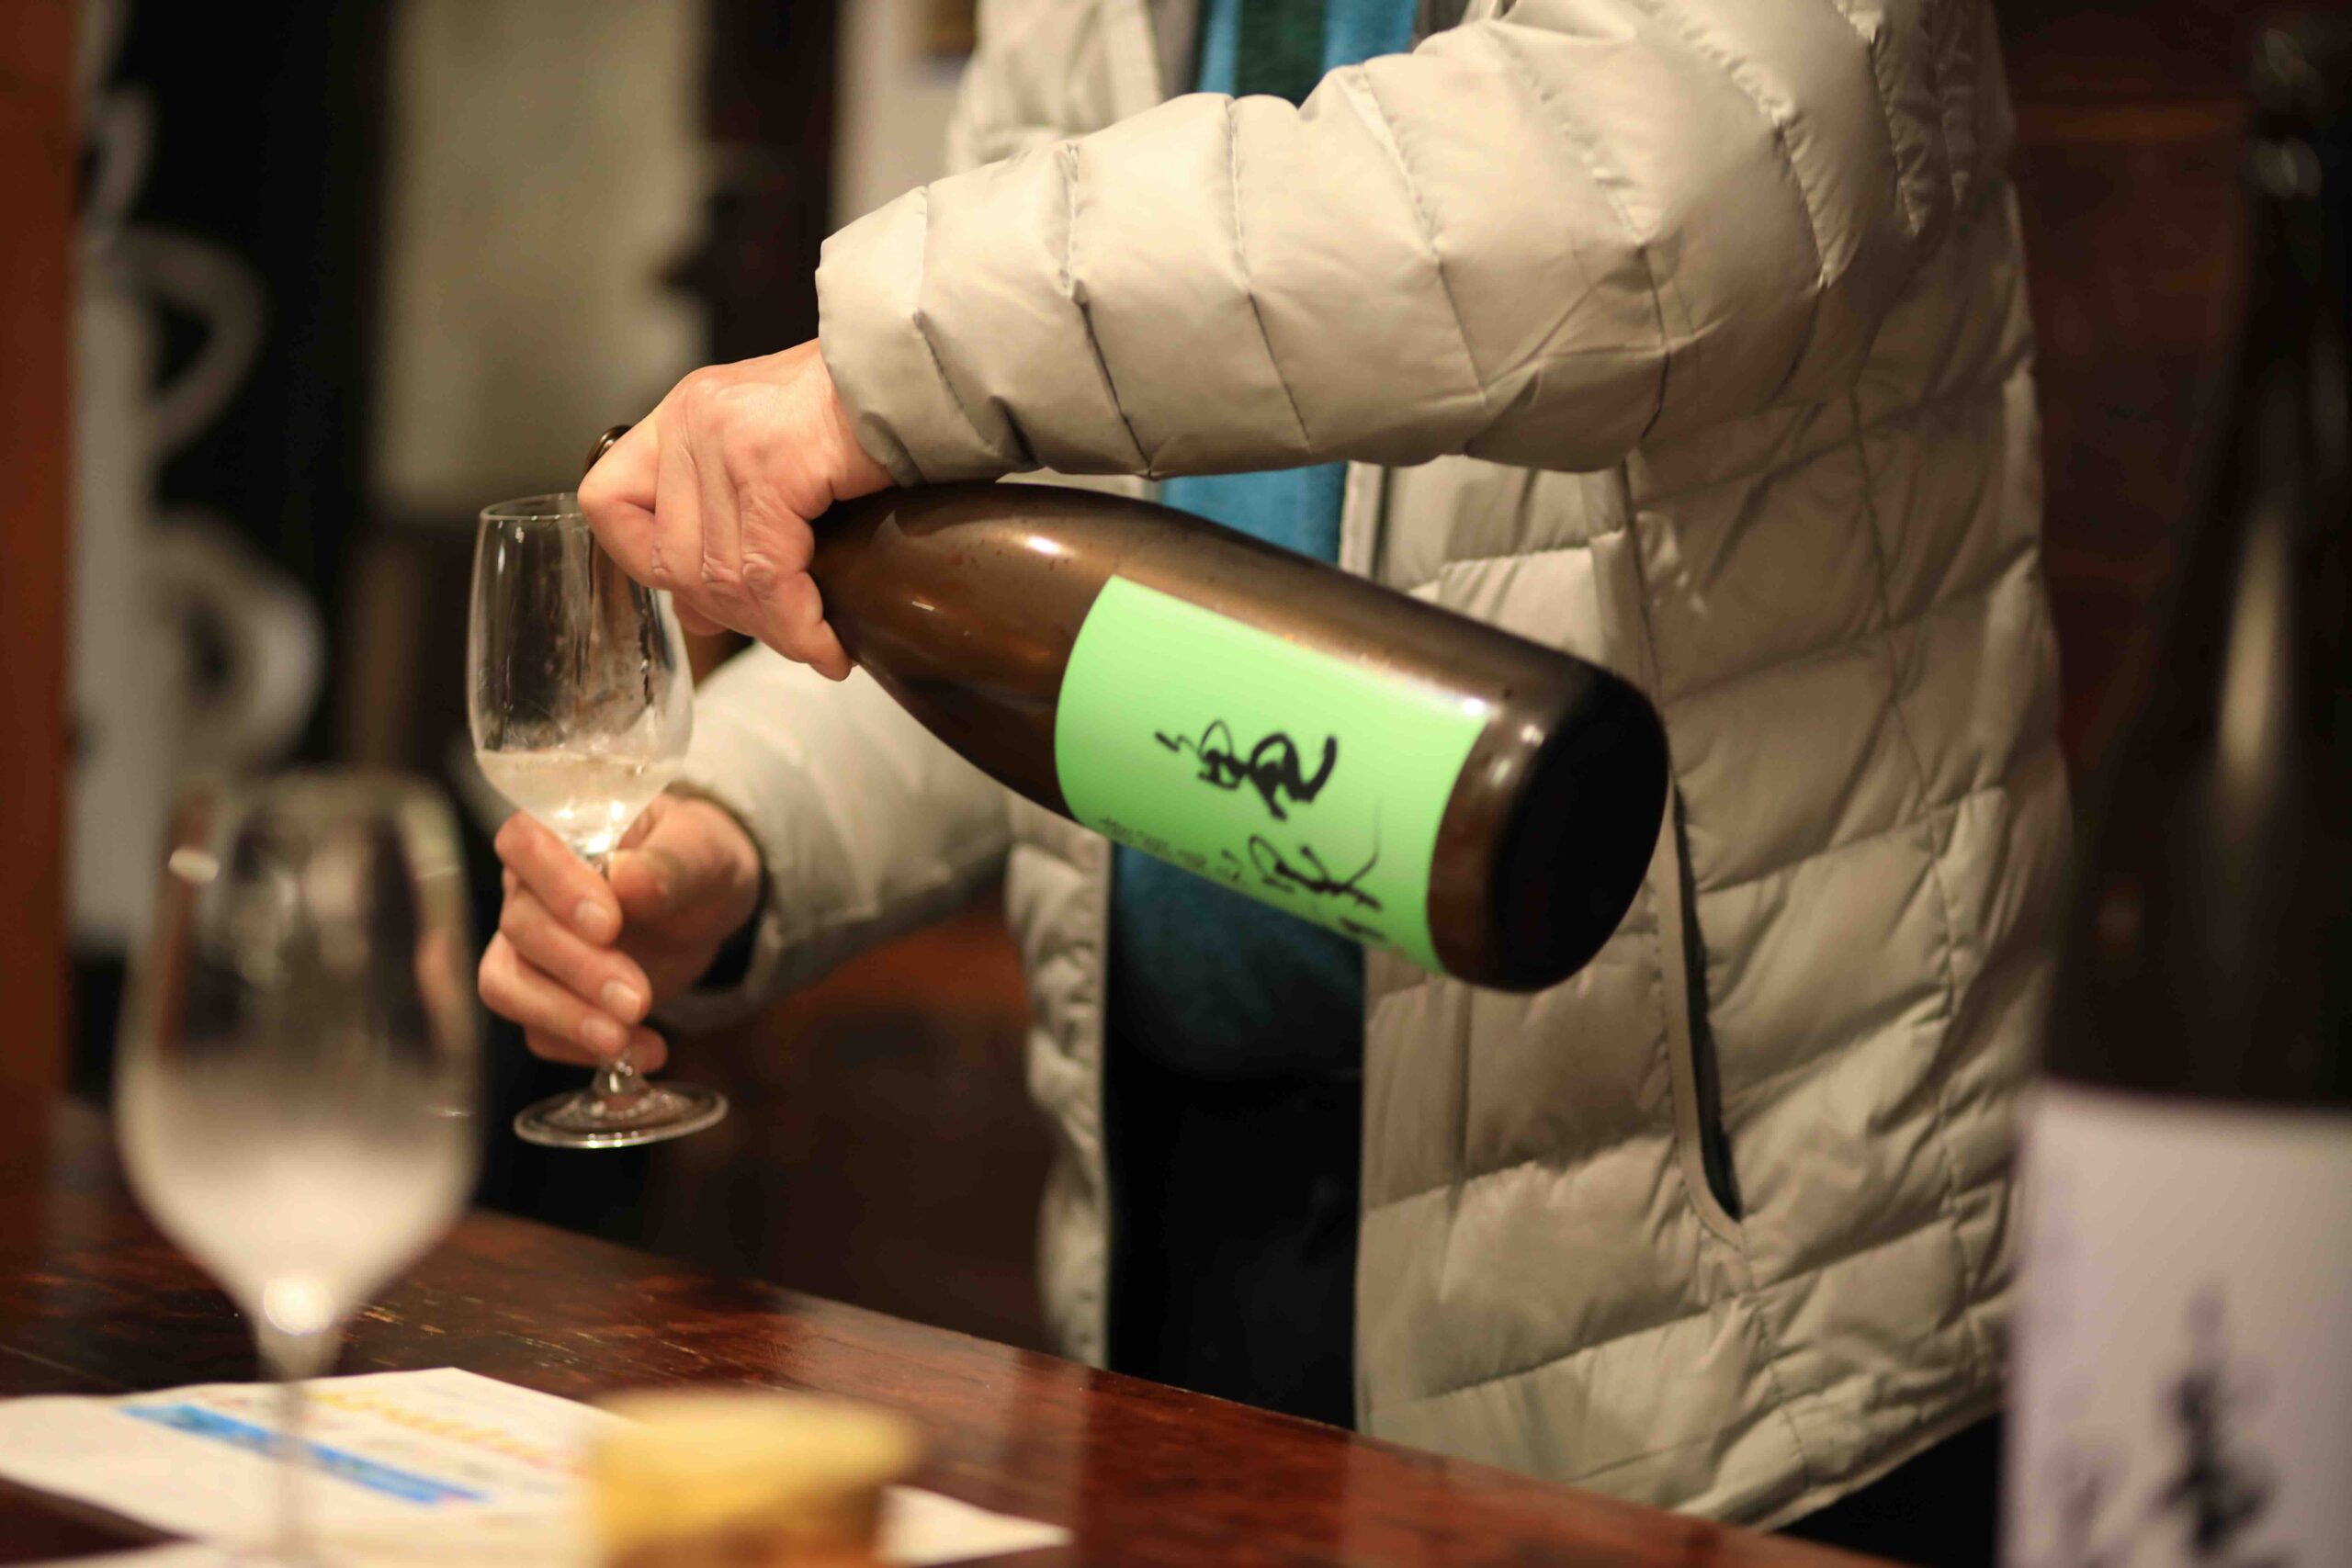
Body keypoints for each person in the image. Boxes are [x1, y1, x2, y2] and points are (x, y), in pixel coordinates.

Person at [477, 0, 2064, 1556]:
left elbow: (1652, 192)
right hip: (1184, 1222)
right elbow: (995, 610)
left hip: (1708, 1303)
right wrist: (736, 829)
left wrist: (883, 362)